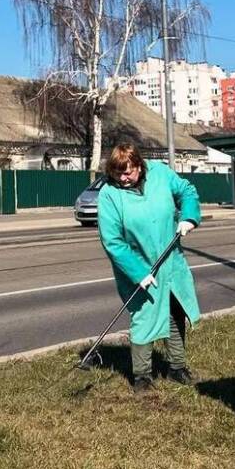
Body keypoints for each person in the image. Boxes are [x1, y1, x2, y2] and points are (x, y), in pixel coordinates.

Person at [97, 143, 202, 392]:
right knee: (144, 317)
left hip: (171, 261)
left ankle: (177, 367)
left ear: (139, 165)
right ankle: (142, 376)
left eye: (127, 172)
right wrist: (138, 272)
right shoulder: (109, 194)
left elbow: (186, 191)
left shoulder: (160, 173)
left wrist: (188, 216)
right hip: (139, 265)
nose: (122, 178)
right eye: (117, 173)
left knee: (175, 310)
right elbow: (113, 241)